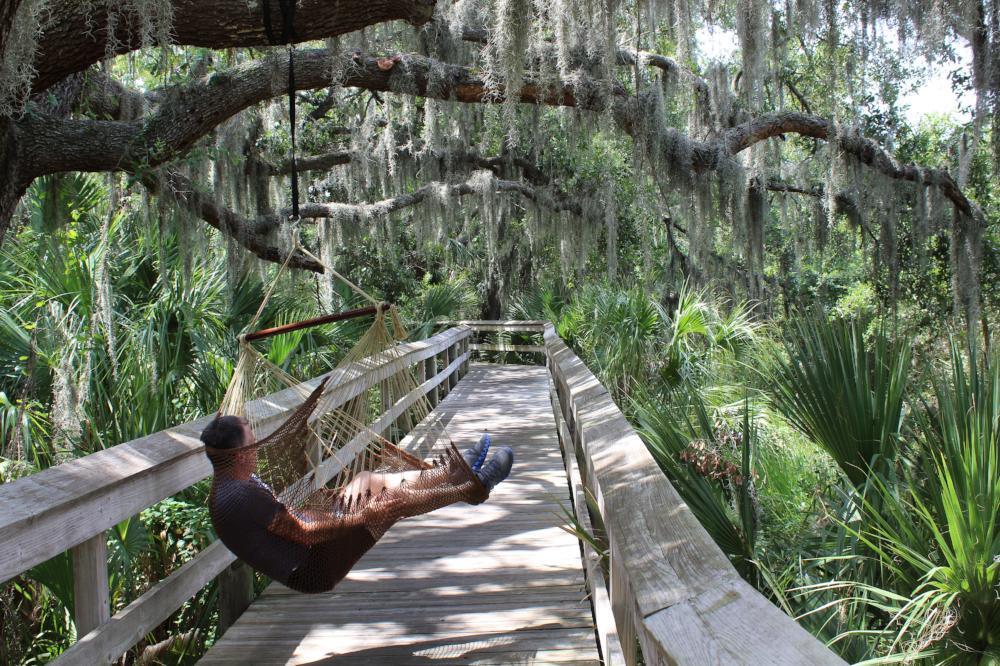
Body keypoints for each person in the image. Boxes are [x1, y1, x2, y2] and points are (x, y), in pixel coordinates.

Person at [201, 415, 513, 593]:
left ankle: (451, 473)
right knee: (387, 502)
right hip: (313, 568)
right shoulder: (239, 496)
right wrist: (364, 514)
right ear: (239, 455)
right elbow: (305, 533)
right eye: (252, 442)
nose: (258, 447)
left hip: (310, 544)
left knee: (366, 479)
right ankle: (470, 487)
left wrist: (330, 506)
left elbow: (288, 521)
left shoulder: (234, 479)